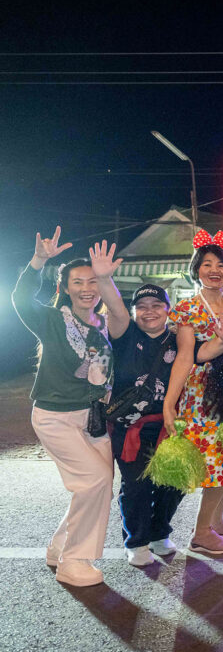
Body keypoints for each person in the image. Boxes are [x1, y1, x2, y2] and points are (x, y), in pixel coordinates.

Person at [13, 227, 114, 587]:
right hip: (55, 417)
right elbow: (21, 298)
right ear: (66, 288)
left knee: (99, 484)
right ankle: (74, 563)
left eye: (93, 281)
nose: (87, 288)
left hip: (93, 417)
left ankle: (59, 548)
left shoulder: (104, 325)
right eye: (77, 282)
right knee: (94, 480)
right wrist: (39, 260)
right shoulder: (54, 320)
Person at [164, 231, 223, 556]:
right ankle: (202, 532)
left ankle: (217, 521)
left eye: (220, 264)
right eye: (206, 264)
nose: (214, 270)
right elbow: (187, 357)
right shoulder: (188, 308)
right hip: (205, 394)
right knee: (217, 461)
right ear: (196, 269)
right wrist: (169, 403)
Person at [95, 240, 186, 568]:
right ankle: (137, 540)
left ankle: (160, 532)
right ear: (134, 312)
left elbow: (205, 353)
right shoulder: (125, 333)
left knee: (174, 483)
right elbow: (115, 307)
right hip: (128, 427)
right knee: (136, 485)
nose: (149, 311)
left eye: (156, 305)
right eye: (142, 306)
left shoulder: (178, 338)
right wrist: (104, 279)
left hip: (167, 425)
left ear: (168, 308)